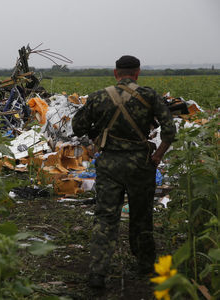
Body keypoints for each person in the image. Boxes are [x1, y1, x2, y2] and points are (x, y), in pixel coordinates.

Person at [71, 55, 176, 289]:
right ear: (138, 73)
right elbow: (169, 130)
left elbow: (77, 127)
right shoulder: (149, 96)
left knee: (106, 217)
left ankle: (97, 273)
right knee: (141, 215)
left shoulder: (98, 97)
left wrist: (96, 138)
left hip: (109, 164)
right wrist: (157, 155)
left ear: (115, 73)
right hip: (141, 164)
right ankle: (145, 265)